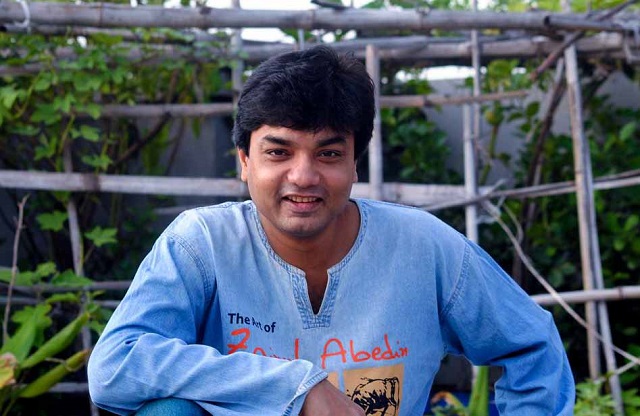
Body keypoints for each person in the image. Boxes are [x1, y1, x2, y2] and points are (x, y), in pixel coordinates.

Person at [87, 45, 575, 416]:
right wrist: (296, 388)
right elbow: (115, 365)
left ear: (355, 163)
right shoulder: (203, 244)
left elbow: (531, 347)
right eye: (278, 152)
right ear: (244, 161)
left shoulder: (425, 247)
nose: (303, 176)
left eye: (328, 153)